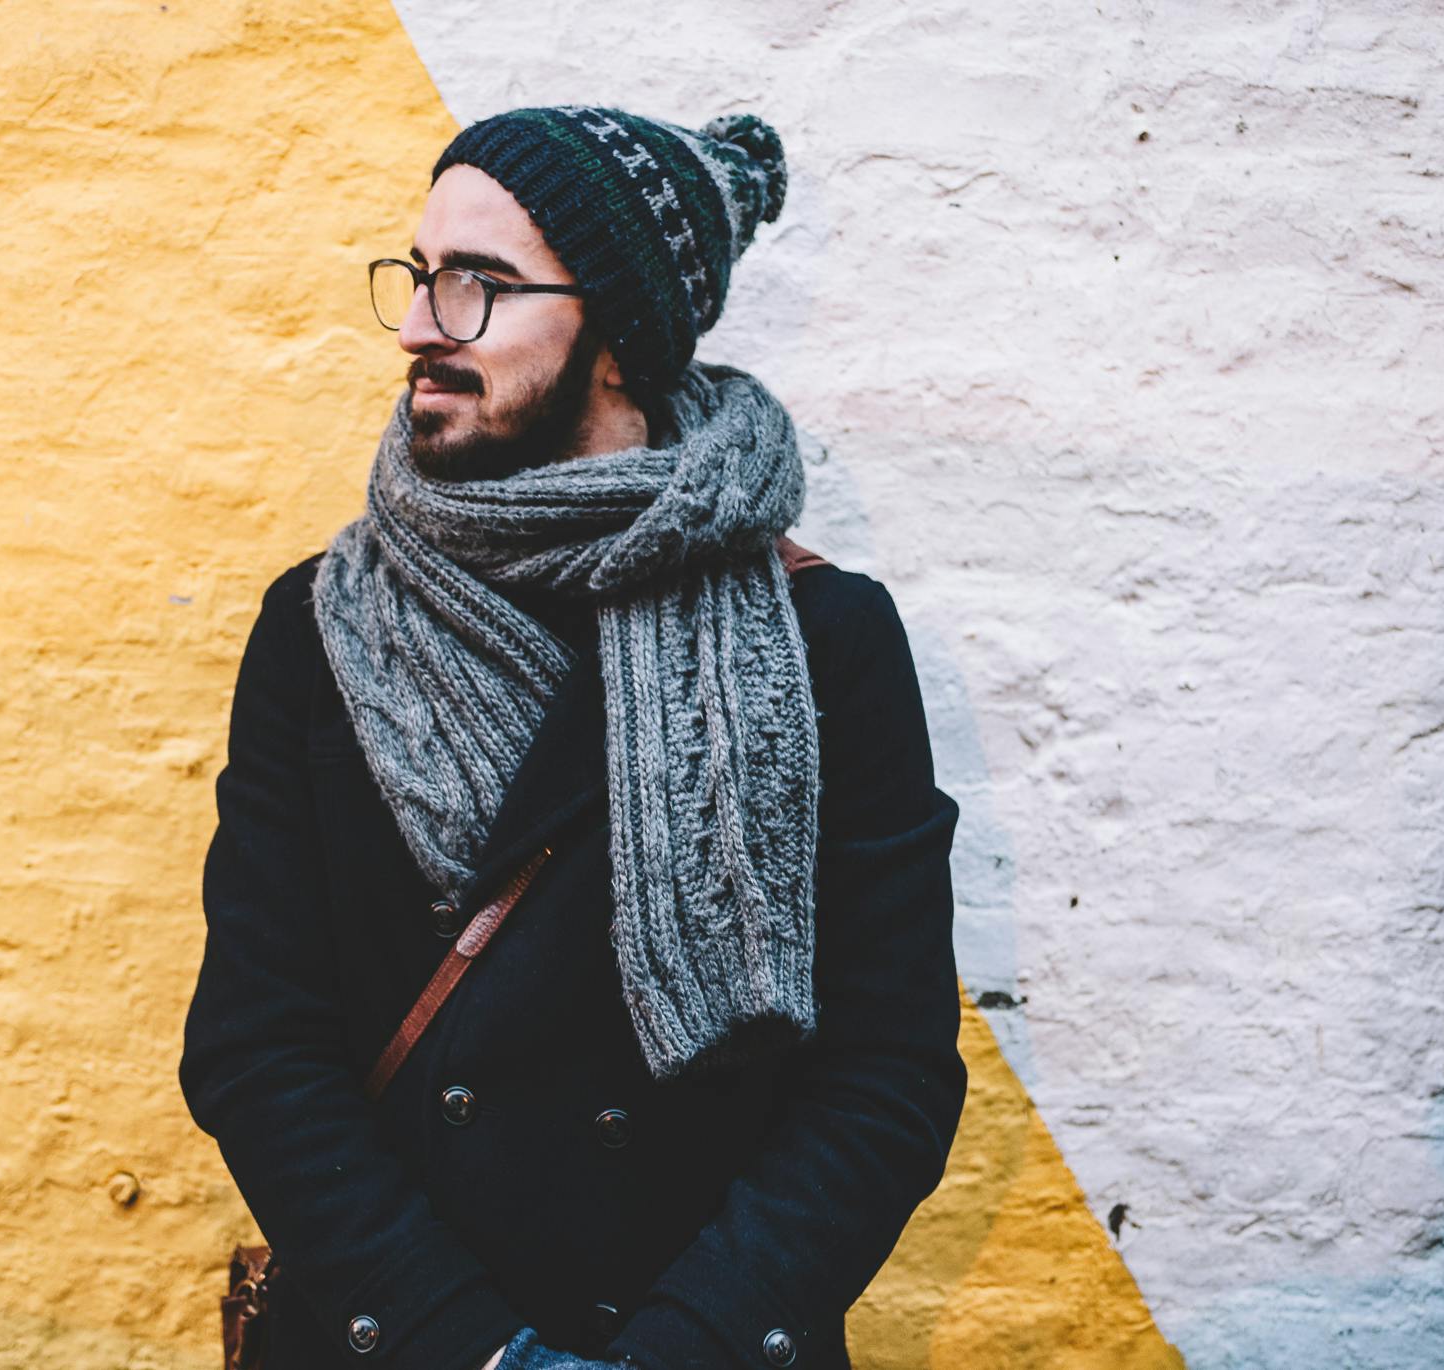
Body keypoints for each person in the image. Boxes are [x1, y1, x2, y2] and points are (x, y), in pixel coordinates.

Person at [180, 104, 966, 1370]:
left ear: (619, 334)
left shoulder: (825, 637)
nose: (419, 324)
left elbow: (885, 1074)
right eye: (422, 274)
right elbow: (256, 1043)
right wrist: (481, 1350)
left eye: (479, 285)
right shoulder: (321, 628)